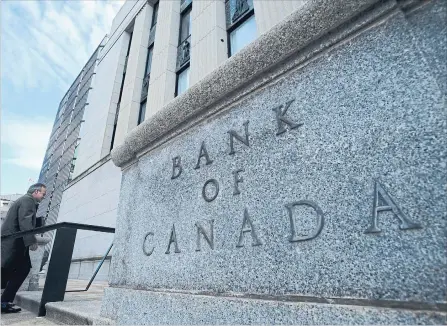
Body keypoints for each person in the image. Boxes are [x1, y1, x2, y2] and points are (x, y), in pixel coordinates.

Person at [1, 183, 46, 313]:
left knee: (11, 271)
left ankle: (4, 302)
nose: (44, 196)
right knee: (14, 271)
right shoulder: (27, 200)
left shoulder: (24, 200)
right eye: (43, 193)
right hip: (14, 244)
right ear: (36, 192)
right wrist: (31, 241)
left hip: (14, 244)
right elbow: (25, 221)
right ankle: (3, 302)